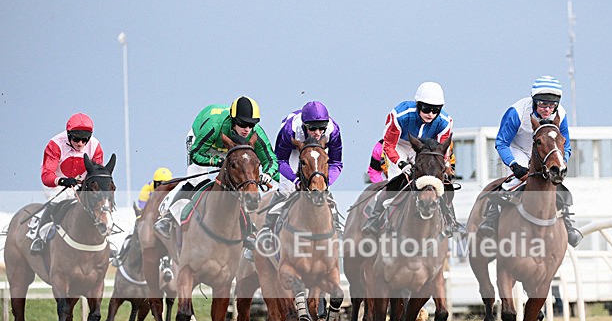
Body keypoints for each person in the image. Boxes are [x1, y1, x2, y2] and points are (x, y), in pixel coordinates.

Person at [476, 76, 582, 247]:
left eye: (551, 105)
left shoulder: (561, 114)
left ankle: (568, 224)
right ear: (534, 101)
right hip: (517, 149)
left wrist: (562, 162)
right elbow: (501, 142)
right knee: (515, 181)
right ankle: (491, 217)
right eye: (542, 104)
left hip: (546, 152)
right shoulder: (516, 112)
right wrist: (513, 164)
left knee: (555, 183)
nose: (547, 109)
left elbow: (565, 145)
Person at [154, 96, 279, 240]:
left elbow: (271, 159)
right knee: (196, 180)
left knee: (240, 183)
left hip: (230, 149)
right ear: (233, 120)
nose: (247, 129)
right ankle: (167, 218)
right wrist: (217, 162)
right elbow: (196, 154)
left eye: (251, 125)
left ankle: (246, 227)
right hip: (202, 144)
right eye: (243, 124)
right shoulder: (213, 126)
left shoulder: (256, 132)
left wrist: (268, 173)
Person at [362, 82, 463, 237]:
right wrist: (400, 163)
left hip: (425, 149)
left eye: (436, 110)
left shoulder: (445, 122)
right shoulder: (399, 116)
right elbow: (389, 145)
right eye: (426, 109)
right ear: (418, 105)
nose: (430, 114)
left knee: (438, 182)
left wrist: (444, 165)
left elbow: (442, 150)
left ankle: (452, 222)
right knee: (396, 181)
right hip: (399, 146)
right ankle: (375, 219)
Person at [260, 101, 344, 235]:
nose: (317, 133)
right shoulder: (290, 130)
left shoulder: (332, 131)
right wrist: (295, 180)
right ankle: (267, 229)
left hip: (318, 151)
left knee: (323, 189)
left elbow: (336, 163)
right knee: (286, 189)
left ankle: (337, 228)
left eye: (321, 128)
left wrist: (326, 182)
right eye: (312, 129)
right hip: (293, 149)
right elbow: (280, 160)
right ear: (305, 126)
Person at [30, 113, 104, 254]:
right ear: (68, 134)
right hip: (56, 182)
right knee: (59, 199)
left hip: (81, 183)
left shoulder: (95, 146)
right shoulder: (55, 144)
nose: (80, 144)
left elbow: (96, 172)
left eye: (84, 140)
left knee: (95, 203)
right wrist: (62, 181)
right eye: (76, 139)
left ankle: (104, 238)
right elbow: (46, 175)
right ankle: (39, 235)